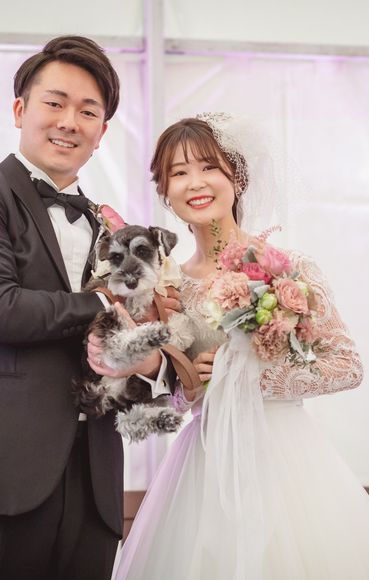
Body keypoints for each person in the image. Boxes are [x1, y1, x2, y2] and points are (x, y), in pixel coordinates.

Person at [114, 114, 369, 579]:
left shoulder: (288, 267)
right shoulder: (168, 286)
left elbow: (347, 365)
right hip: (205, 463)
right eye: (178, 173)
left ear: (236, 178)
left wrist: (247, 376)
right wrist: (190, 387)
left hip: (285, 458)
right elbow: (179, 395)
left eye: (208, 167)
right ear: (165, 191)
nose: (195, 182)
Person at [0, 36, 179, 580]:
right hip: (11, 470)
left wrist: (154, 364)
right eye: (55, 103)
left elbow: (143, 327)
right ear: (20, 110)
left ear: (102, 133)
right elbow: (5, 308)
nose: (69, 122)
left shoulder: (111, 226)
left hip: (97, 475)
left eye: (87, 111)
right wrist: (100, 301)